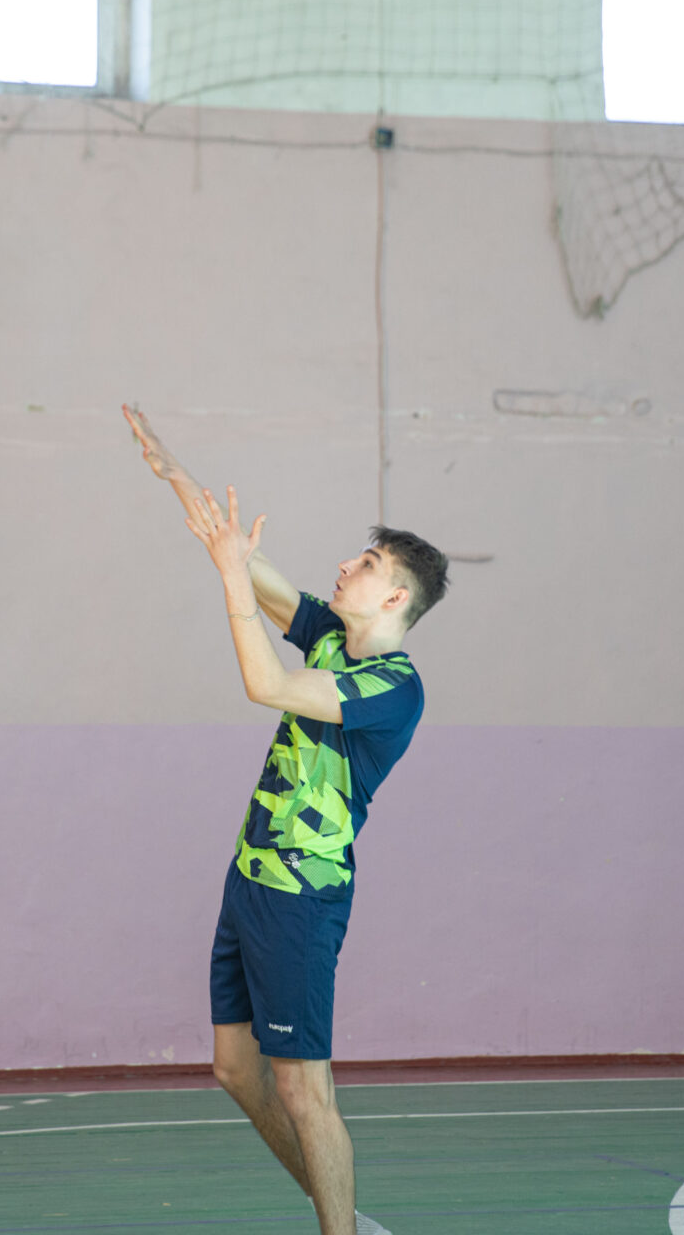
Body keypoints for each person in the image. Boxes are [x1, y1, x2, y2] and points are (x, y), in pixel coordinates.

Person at [124, 404, 449, 1235]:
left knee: (306, 1091)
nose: (345, 565)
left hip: (303, 898)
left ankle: (340, 1227)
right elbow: (247, 559)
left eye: (365, 563)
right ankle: (341, 1212)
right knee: (237, 1070)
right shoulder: (332, 636)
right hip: (250, 881)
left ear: (396, 595)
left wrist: (231, 575)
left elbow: (266, 685)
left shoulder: (394, 689)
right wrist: (177, 474)